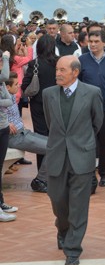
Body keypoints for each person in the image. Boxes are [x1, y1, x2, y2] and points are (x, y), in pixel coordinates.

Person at [43, 56, 103, 265]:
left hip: (82, 157)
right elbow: (51, 123)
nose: (57, 73)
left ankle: (73, 250)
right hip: (57, 156)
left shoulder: (92, 93)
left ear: (75, 72)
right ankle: (63, 229)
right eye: (57, 69)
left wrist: (81, 142)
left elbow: (97, 123)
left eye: (62, 70)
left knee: (79, 206)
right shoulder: (48, 94)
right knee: (58, 201)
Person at [79, 29, 105, 188]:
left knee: (104, 143)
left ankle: (104, 173)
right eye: (91, 41)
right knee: (88, 142)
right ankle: (88, 174)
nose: (93, 44)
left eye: (96, 41)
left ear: (104, 42)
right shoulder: (82, 60)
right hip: (86, 109)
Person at [6, 72, 49, 193]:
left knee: (56, 144)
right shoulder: (2, 98)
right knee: (53, 148)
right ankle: (40, 181)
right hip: (15, 137)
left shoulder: (12, 95)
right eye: (16, 84)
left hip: (24, 133)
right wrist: (4, 124)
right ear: (7, 87)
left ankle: (48, 178)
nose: (19, 85)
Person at [21, 34, 58, 169]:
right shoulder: (59, 62)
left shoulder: (34, 63)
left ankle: (42, 173)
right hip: (57, 104)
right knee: (56, 135)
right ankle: (55, 168)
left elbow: (25, 84)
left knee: (40, 137)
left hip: (38, 104)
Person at [0, 50, 17, 221]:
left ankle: (1, 202)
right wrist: (6, 57)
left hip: (3, 127)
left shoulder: (2, 83)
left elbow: (9, 100)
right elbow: (5, 75)